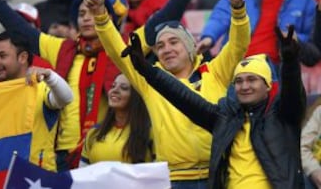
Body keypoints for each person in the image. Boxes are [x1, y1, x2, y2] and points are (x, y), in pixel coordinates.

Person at [0, 0, 213, 172]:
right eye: (81, 13)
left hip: (109, 152)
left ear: (111, 19)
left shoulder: (124, 47)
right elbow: (21, 32)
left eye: (93, 13)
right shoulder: (63, 48)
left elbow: (162, 19)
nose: (86, 18)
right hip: (60, 156)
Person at [84, 0, 249, 189]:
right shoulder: (150, 80)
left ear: (190, 46)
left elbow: (238, 45)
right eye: (160, 46)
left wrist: (238, 9)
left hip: (217, 175)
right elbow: (118, 52)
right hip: (174, 180)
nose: (166, 49)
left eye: (174, 42)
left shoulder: (215, 71)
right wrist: (100, 15)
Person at [124, 25, 306, 189]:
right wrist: (146, 70)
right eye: (239, 81)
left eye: (252, 80)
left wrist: (290, 62)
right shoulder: (225, 118)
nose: (244, 86)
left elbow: (293, 94)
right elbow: (183, 98)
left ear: (267, 85)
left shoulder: (283, 116)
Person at [198, 0, 318, 67]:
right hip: (234, 65)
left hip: (276, 69)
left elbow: (313, 41)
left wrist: (295, 40)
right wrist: (209, 37)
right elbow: (220, 16)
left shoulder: (305, 0)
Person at [0, 31, 73, 171]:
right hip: (4, 180)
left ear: (23, 57)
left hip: (39, 180)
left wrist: (49, 75)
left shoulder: (40, 89)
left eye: (2, 56)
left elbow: (67, 98)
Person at [80, 74, 153, 165]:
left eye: (124, 88)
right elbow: (83, 172)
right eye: (113, 86)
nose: (114, 90)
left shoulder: (150, 132)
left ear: (136, 96)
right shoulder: (94, 132)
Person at [0, 2, 52, 87]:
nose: (18, 28)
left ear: (37, 30)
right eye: (13, 23)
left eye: (24, 24)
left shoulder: (47, 62)